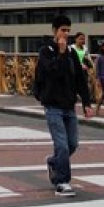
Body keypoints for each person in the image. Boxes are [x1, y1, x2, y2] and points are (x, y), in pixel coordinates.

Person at [33, 15, 91, 197]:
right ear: (54, 31)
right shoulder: (46, 51)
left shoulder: (72, 54)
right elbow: (51, 72)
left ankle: (53, 162)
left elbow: (80, 79)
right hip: (52, 106)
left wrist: (87, 102)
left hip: (69, 105)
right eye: (62, 30)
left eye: (68, 30)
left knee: (72, 144)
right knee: (62, 146)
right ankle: (62, 182)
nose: (65, 34)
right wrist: (60, 53)